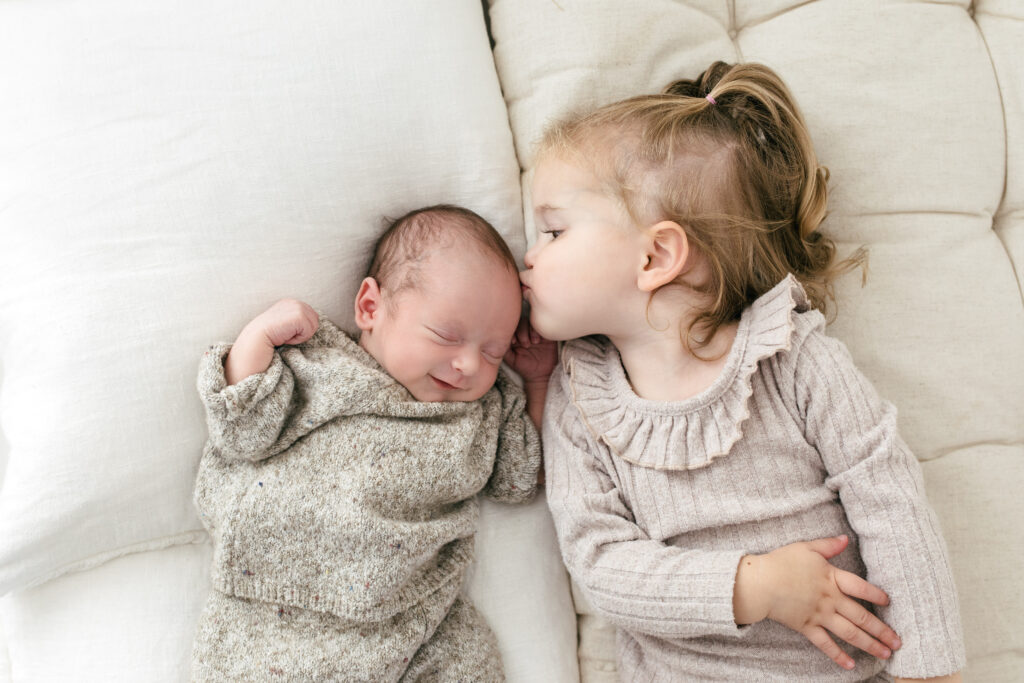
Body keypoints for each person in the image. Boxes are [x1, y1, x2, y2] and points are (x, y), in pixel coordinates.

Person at [518, 61, 966, 681]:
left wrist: (930, 669)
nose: (529, 258)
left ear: (656, 255)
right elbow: (601, 565)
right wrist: (755, 586)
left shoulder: (793, 358)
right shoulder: (582, 396)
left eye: (553, 231)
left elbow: (891, 500)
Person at [190, 204, 556, 681]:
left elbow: (519, 480)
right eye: (447, 335)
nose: (469, 364)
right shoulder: (321, 366)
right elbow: (242, 428)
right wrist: (261, 335)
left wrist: (539, 381)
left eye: (493, 351)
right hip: (272, 603)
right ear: (370, 307)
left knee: (472, 658)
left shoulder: (482, 413)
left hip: (404, 617)